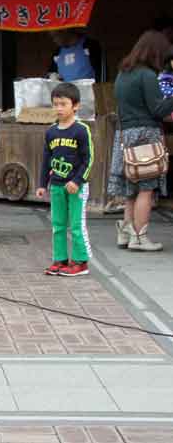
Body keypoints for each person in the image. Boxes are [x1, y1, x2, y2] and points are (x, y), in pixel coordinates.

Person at [108, 30, 173, 252]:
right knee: (146, 188)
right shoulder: (146, 75)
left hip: (125, 135)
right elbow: (159, 109)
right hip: (146, 136)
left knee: (131, 188)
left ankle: (126, 232)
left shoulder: (123, 74)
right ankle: (140, 237)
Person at [35, 83, 94, 277]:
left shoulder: (81, 130)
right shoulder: (51, 132)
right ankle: (60, 260)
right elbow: (46, 160)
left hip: (76, 187)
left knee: (76, 225)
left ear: (75, 106)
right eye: (55, 104)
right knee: (57, 225)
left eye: (63, 104)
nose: (59, 108)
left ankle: (80, 261)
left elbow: (89, 159)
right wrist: (42, 184)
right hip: (57, 187)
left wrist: (77, 181)